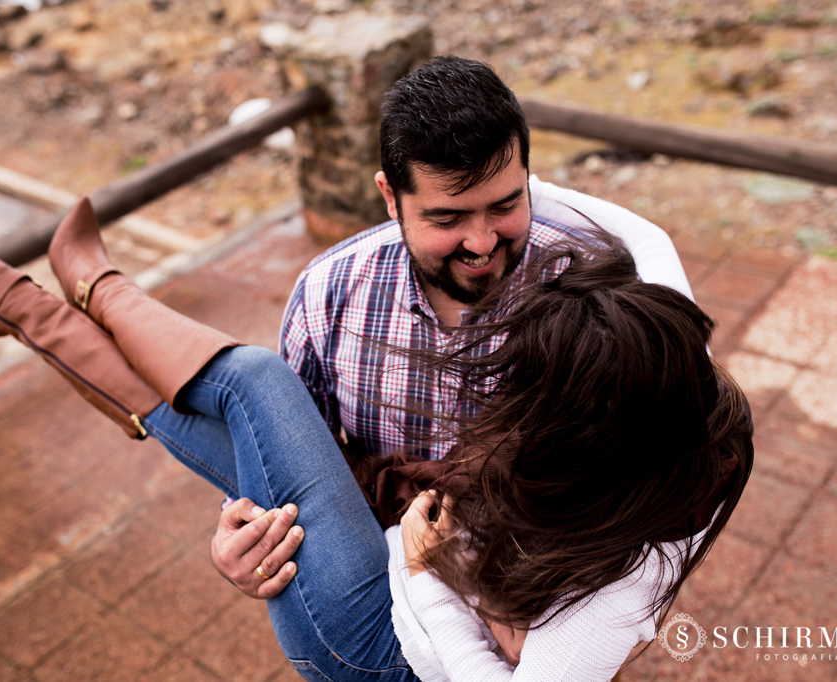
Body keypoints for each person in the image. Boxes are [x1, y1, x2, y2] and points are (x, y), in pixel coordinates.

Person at [0, 186, 752, 681]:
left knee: (252, 382)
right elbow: (648, 241)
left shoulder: (628, 580)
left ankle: (89, 285)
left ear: (592, 435)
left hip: (385, 653)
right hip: (399, 551)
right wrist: (512, 191)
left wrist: (425, 572)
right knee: (212, 411)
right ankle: (15, 302)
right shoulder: (669, 366)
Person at [221, 55, 695, 596]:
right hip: (382, 586)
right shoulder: (326, 294)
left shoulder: (591, 286)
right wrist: (245, 534)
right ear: (391, 197)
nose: (482, 242)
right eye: (447, 218)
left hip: (544, 601)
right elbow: (287, 454)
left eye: (506, 206)